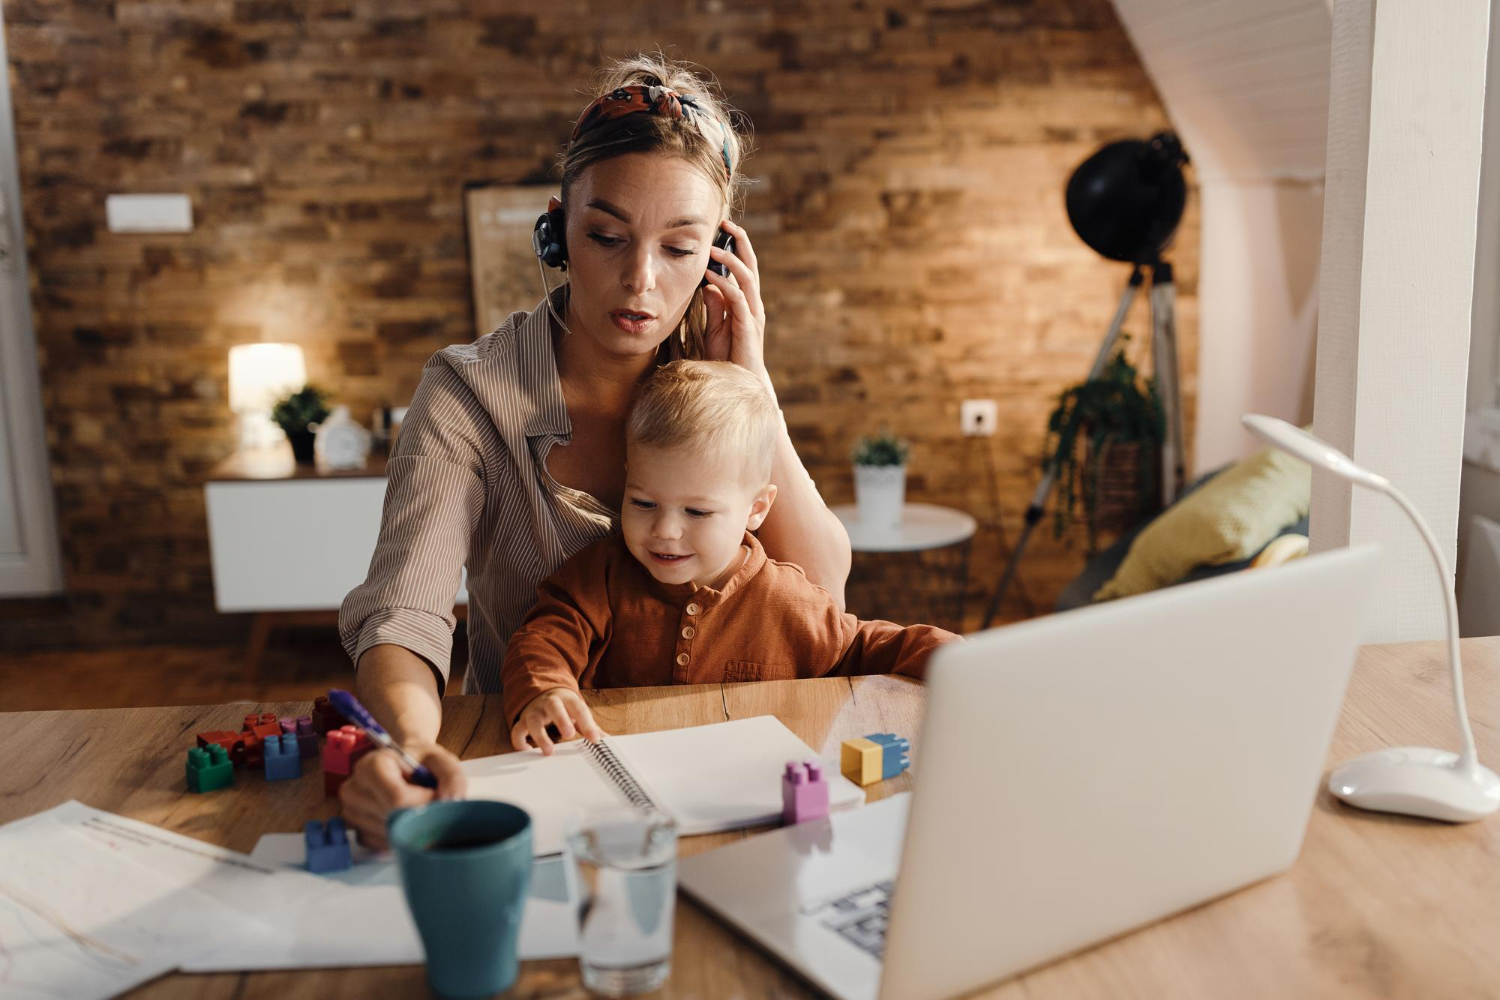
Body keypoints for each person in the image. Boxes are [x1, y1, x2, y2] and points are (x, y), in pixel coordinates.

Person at [336, 55, 853, 849]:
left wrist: (752, 381)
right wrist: (406, 745)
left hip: (725, 768)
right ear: (558, 229)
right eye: (607, 236)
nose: (640, 280)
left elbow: (819, 589)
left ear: (720, 255)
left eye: (680, 249)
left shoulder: (717, 386)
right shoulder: (468, 395)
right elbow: (406, 613)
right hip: (538, 765)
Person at [506, 361, 956, 754]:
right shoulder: (598, 578)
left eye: (697, 511)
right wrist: (545, 692)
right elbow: (541, 641)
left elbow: (865, 647)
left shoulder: (788, 601)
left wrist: (961, 662)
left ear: (756, 508)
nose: (664, 530)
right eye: (643, 502)